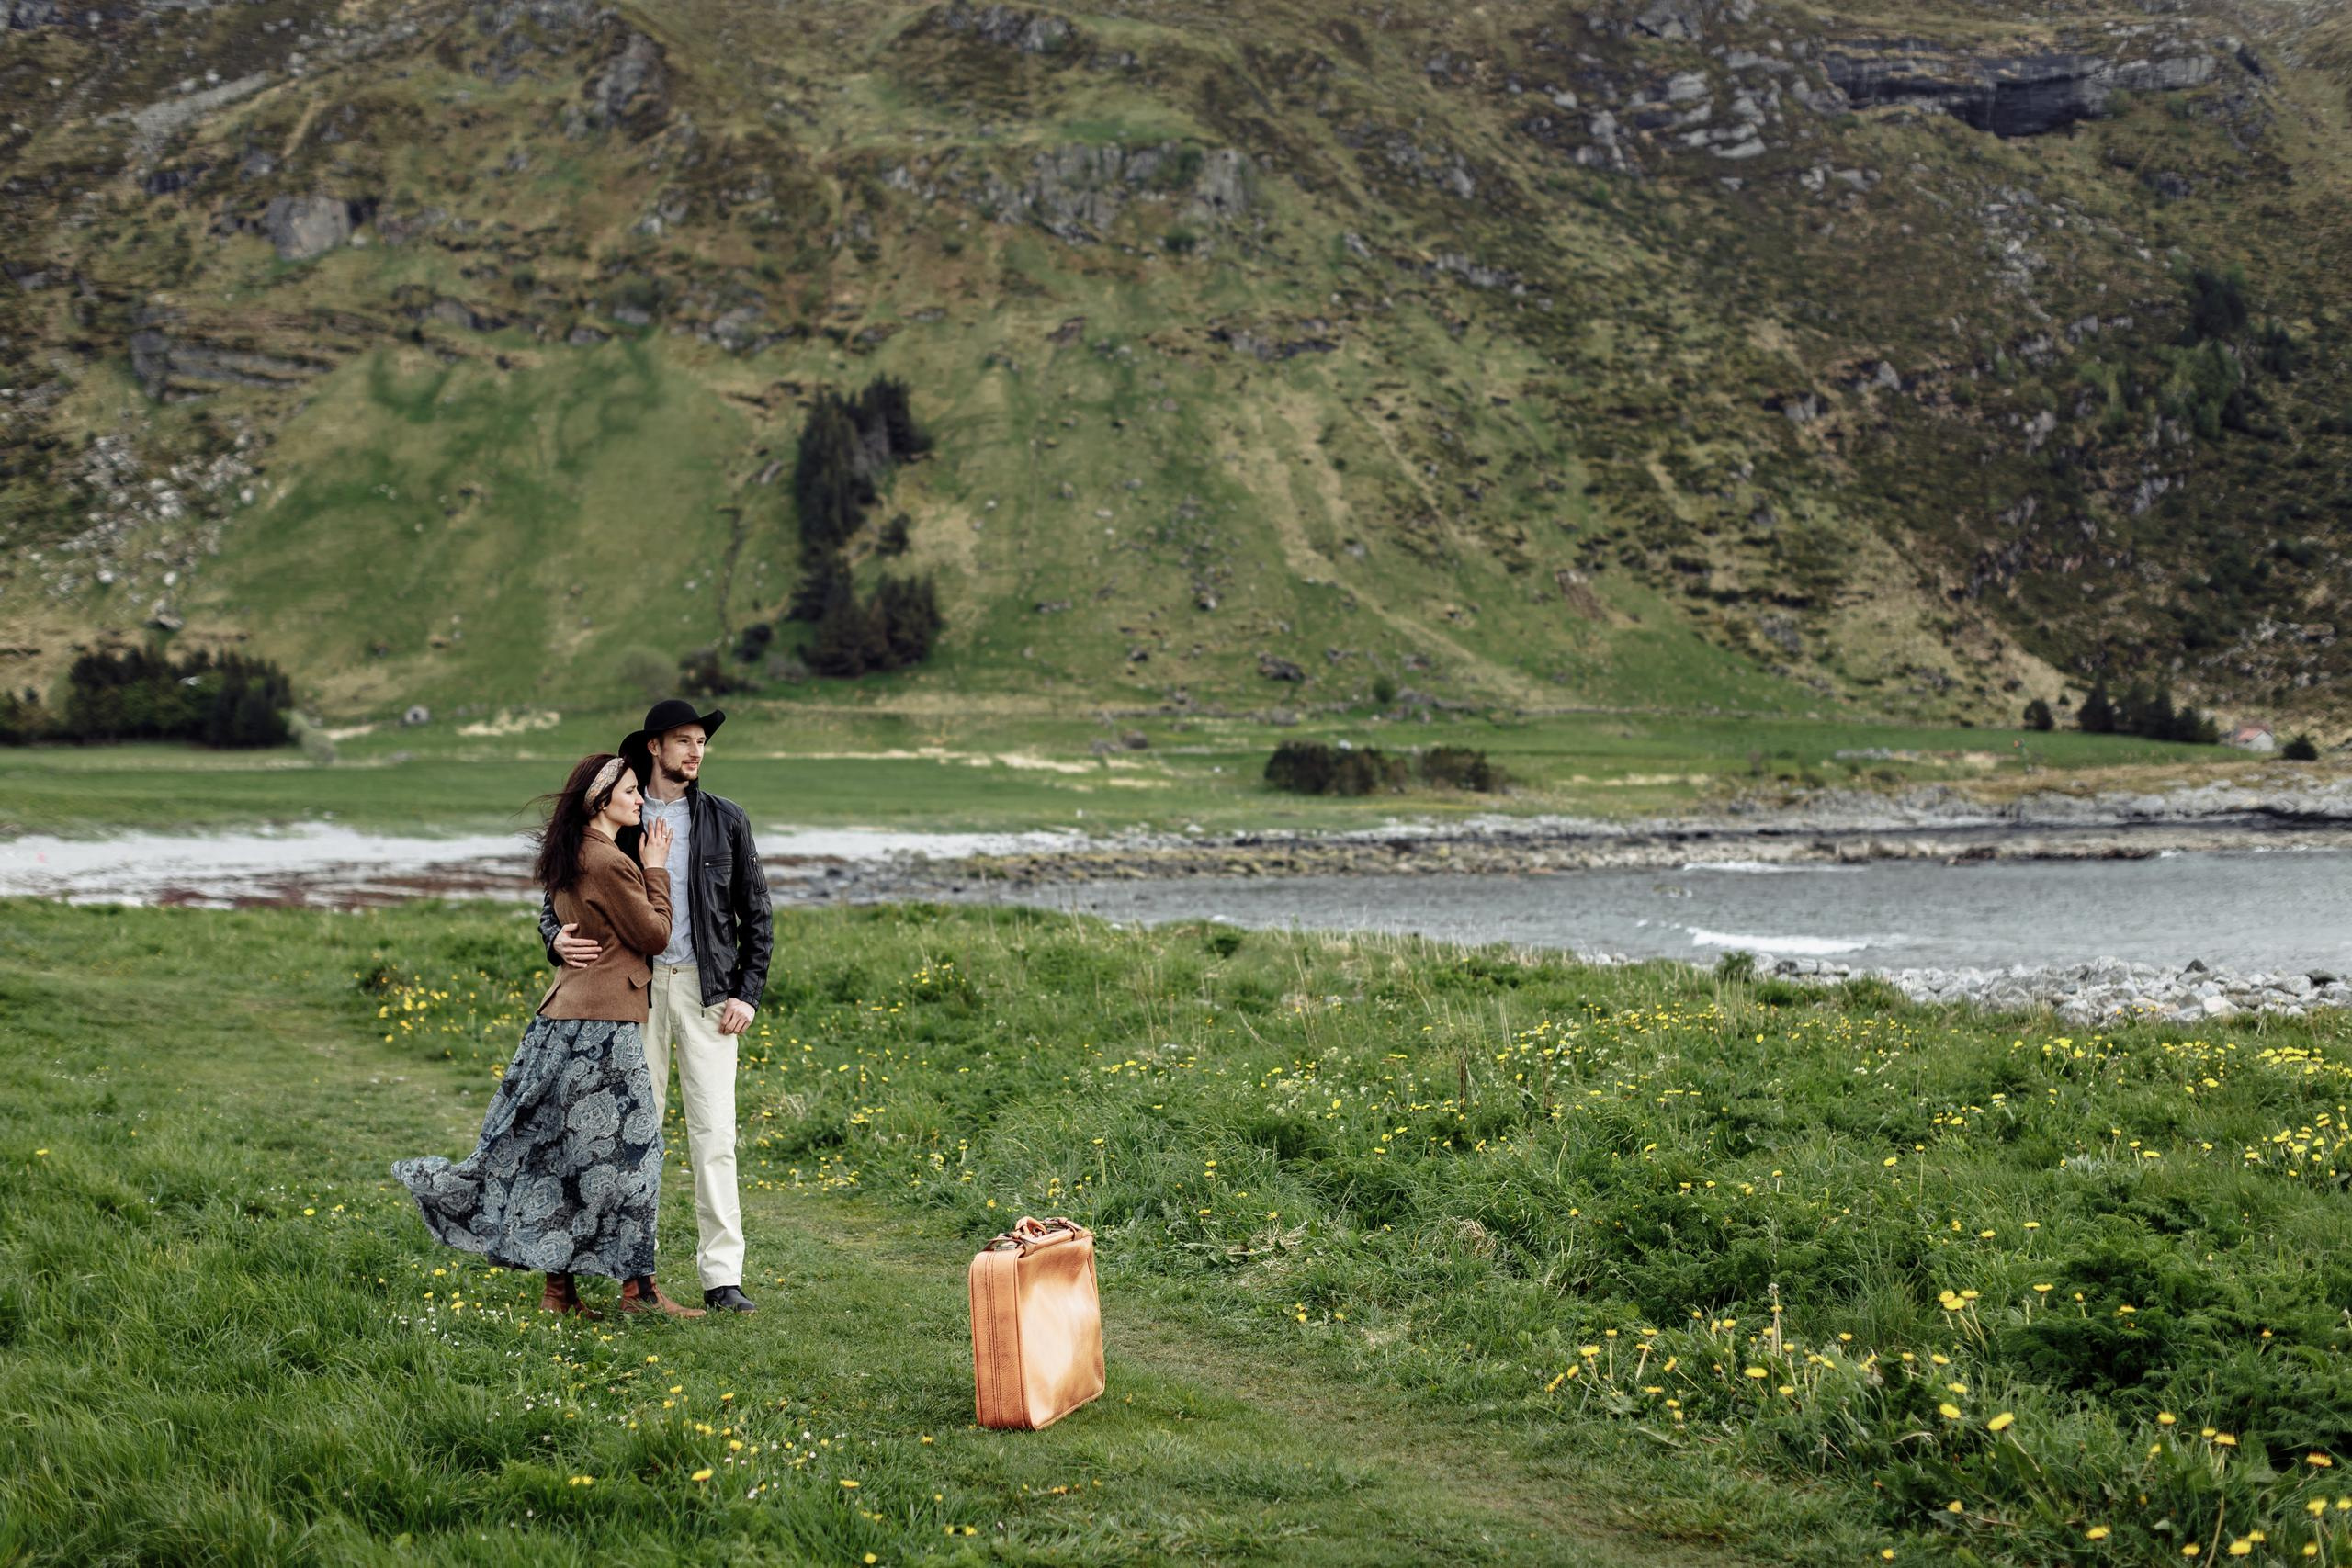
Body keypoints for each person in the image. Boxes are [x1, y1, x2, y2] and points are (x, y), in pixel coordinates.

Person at [395, 752, 704, 1317]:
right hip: (603, 1027)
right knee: (636, 1156)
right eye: (631, 791)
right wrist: (656, 867)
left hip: (561, 1018)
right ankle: (639, 1292)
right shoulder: (608, 860)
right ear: (600, 800)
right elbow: (655, 936)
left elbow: (560, 917)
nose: (640, 800)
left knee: (566, 1154)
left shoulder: (568, 853)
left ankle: (560, 1293)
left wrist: (558, 939)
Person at [539, 698, 772, 1314]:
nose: (697, 751)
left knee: (715, 1135)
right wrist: (551, 935)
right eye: (685, 740)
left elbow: (758, 914)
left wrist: (747, 992)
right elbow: (568, 883)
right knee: (631, 1140)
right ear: (654, 747)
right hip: (632, 993)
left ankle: (723, 1279)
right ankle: (633, 1278)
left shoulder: (726, 820)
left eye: (702, 741)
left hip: (708, 993)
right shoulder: (625, 813)